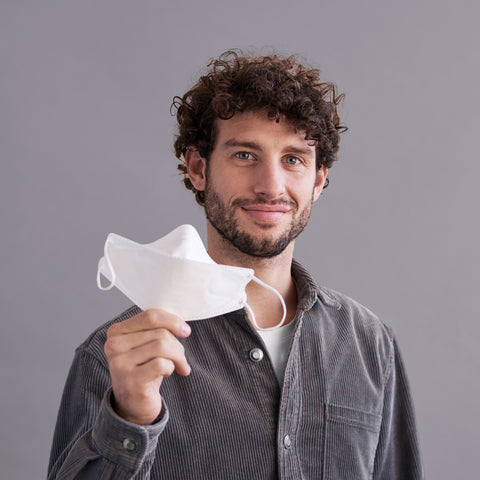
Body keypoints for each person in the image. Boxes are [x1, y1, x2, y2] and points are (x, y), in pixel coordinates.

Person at [48, 50, 424, 479]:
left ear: (319, 180)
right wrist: (130, 420)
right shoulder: (115, 358)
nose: (271, 185)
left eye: (294, 159)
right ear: (198, 168)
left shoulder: (370, 345)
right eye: (245, 155)